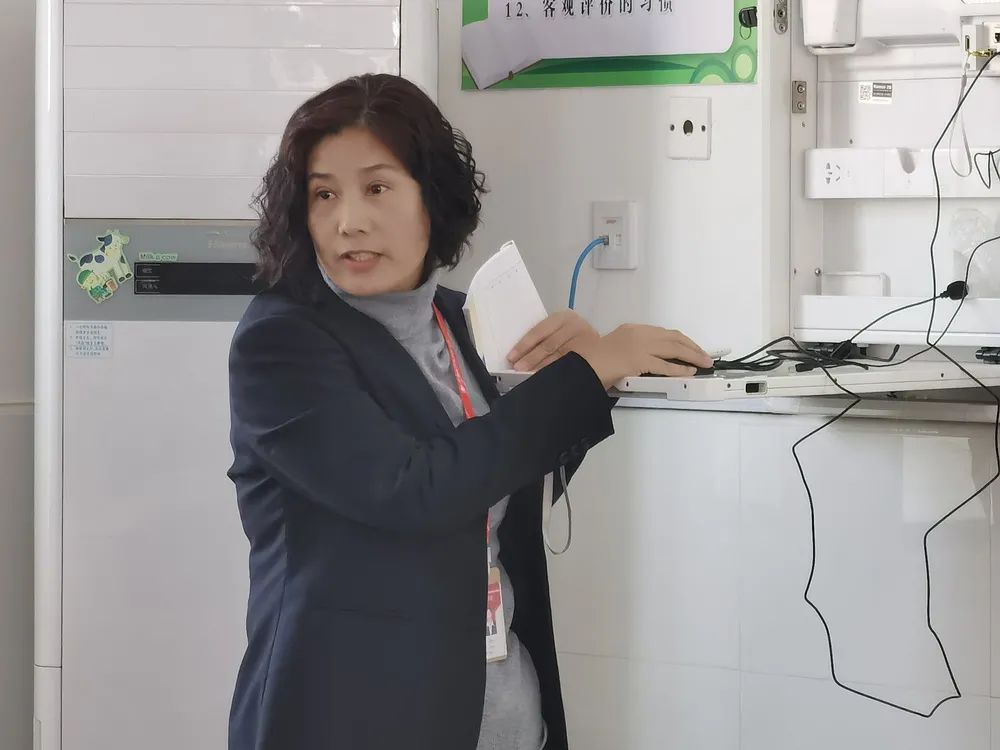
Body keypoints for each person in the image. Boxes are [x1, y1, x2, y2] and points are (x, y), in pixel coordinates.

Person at [226, 73, 713, 750]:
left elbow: (505, 481)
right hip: (352, 718)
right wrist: (580, 378)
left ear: (432, 197)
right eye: (324, 194)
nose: (348, 221)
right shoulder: (280, 343)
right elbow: (415, 491)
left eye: (377, 188)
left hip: (505, 711)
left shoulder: (464, 317)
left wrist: (578, 376)